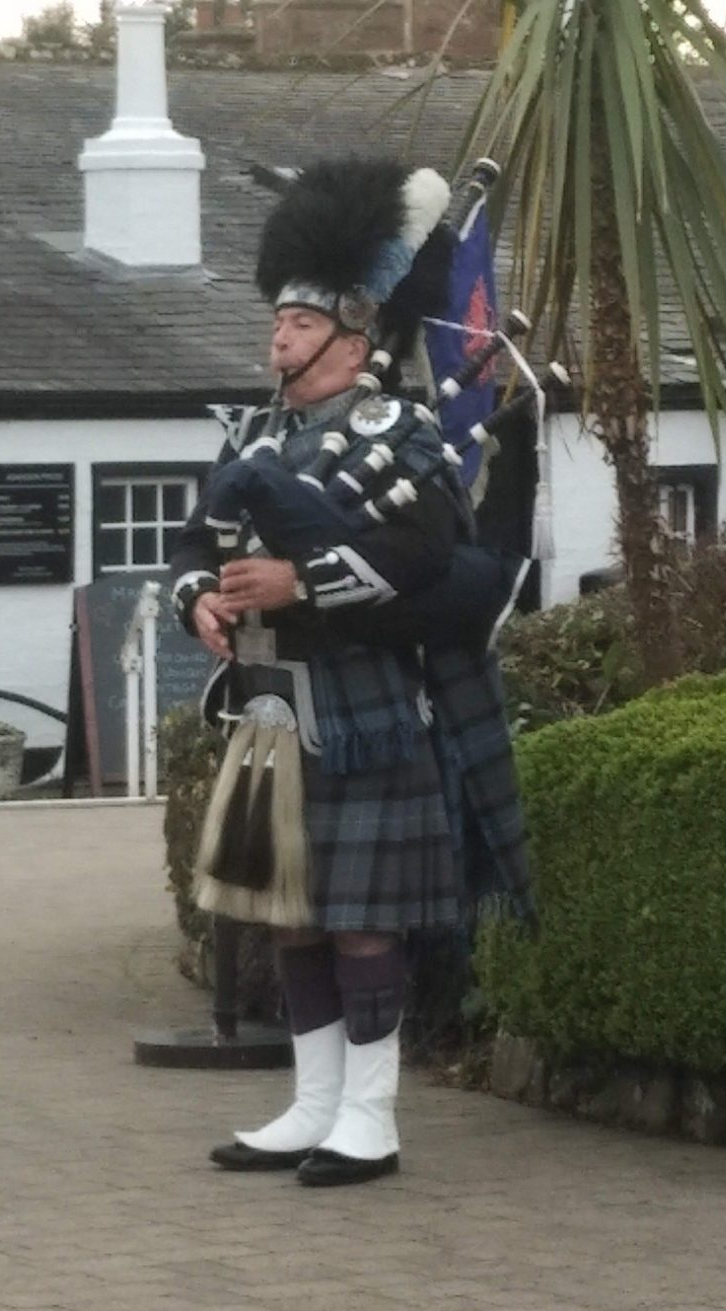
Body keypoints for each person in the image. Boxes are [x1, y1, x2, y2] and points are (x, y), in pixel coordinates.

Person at [169, 157, 531, 1188]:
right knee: (293, 914)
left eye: (296, 326)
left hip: (369, 709)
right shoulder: (261, 434)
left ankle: (370, 1116)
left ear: (351, 338)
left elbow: (423, 554)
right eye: (276, 324)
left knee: (365, 923)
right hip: (274, 711)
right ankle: (312, 1103)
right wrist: (200, 595)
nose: (276, 338)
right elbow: (195, 543)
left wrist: (298, 582)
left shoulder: (400, 431)